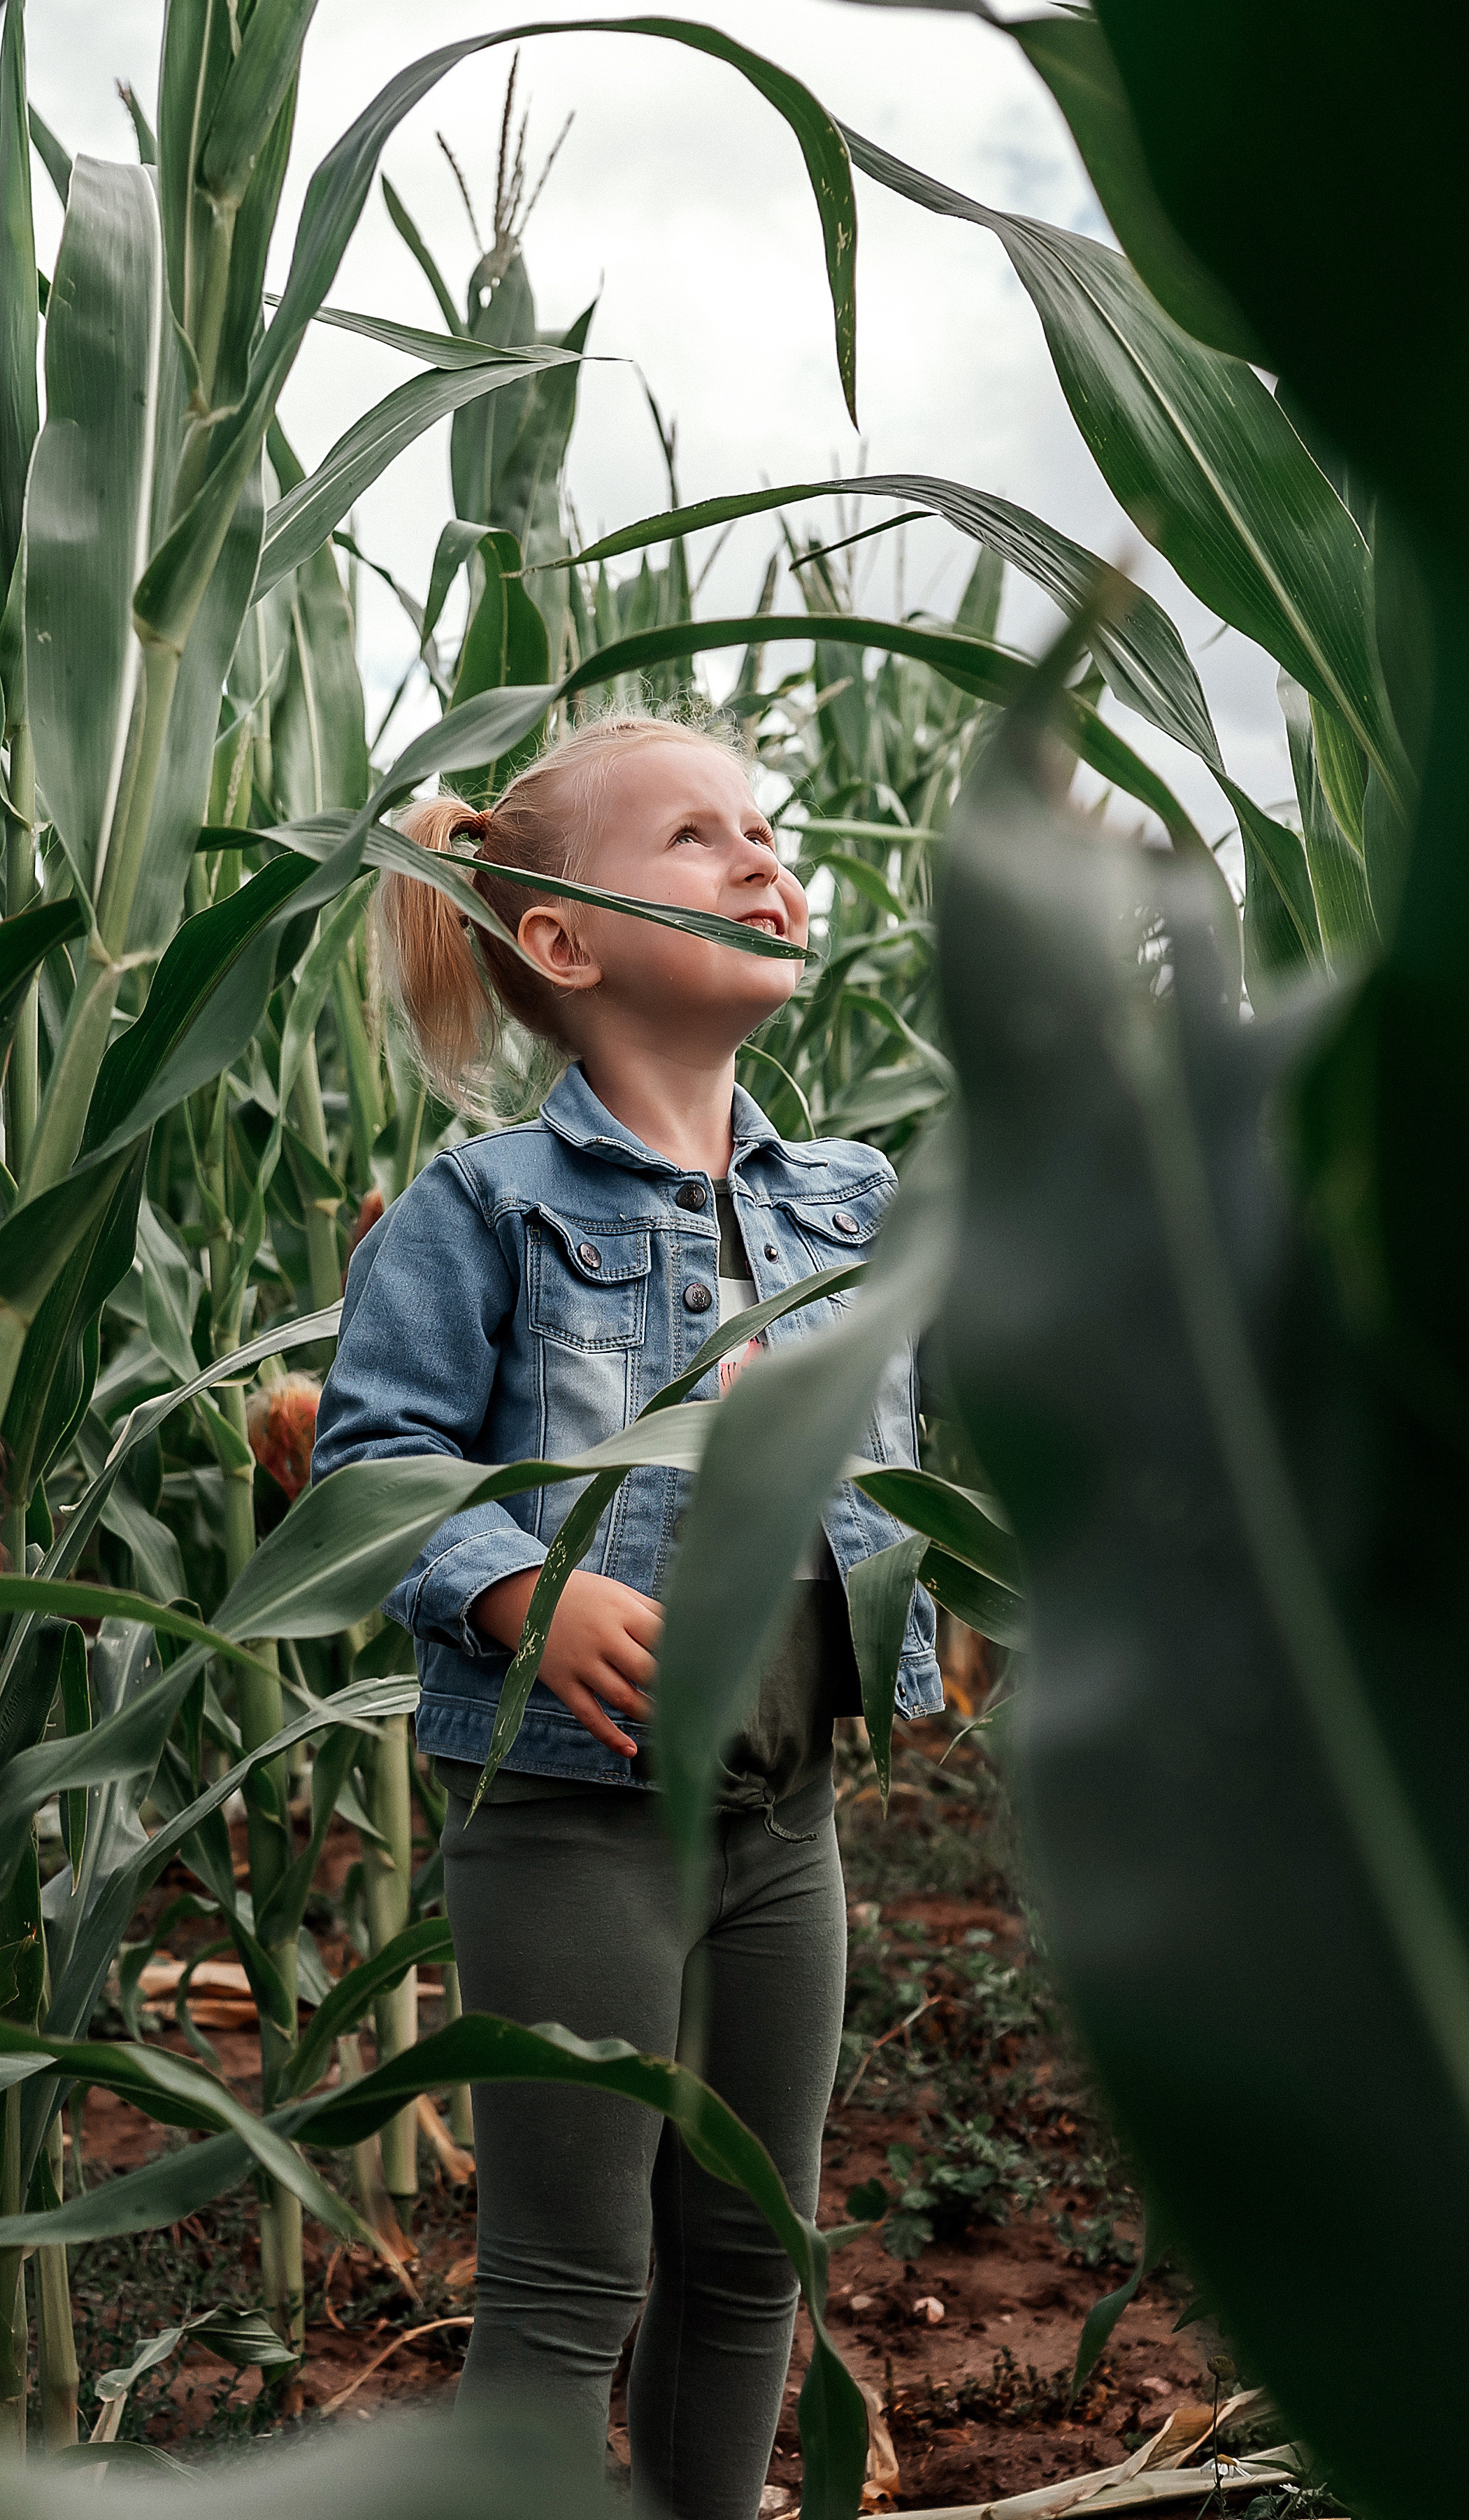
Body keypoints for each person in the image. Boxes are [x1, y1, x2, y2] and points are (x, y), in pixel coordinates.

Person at [310, 713, 939, 2520]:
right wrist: (514, 1583)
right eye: (692, 832)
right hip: (572, 1812)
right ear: (564, 943)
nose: (759, 854)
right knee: (573, 2278)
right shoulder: (486, 1203)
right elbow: (380, 1458)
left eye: (764, 824)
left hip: (780, 1815)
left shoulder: (853, 1202)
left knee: (751, 2249)